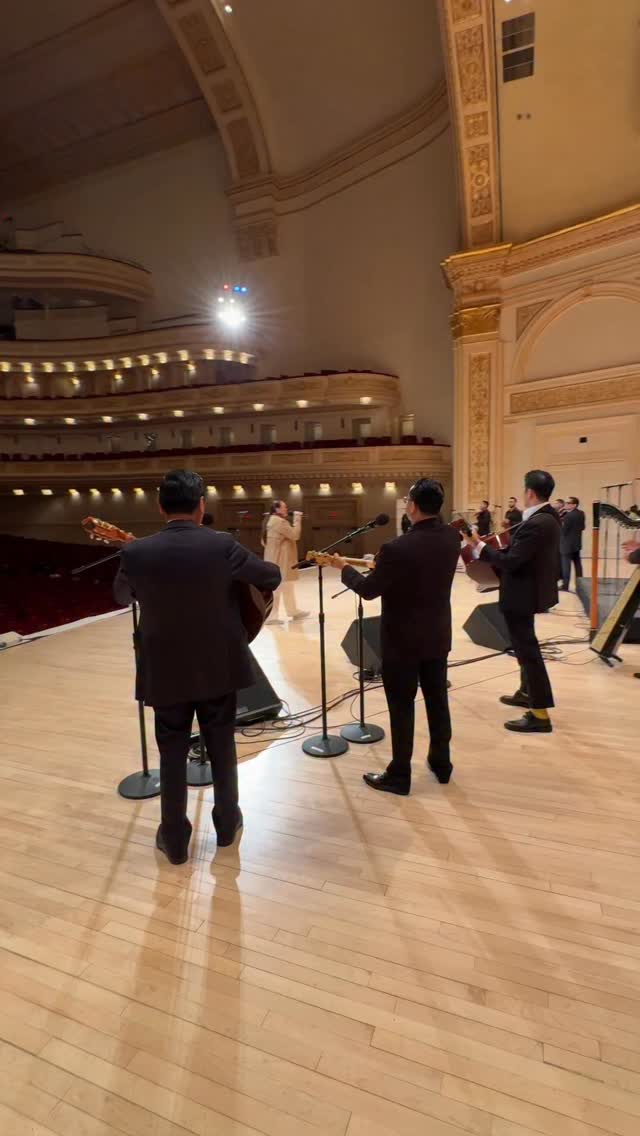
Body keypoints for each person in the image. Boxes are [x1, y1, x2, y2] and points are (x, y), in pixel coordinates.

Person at [113, 469, 281, 864]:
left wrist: (138, 564)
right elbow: (270, 575)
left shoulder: (136, 552)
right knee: (221, 744)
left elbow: (121, 596)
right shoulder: (221, 545)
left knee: (171, 750)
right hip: (217, 664)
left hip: (164, 668)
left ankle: (174, 838)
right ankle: (226, 824)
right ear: (201, 505)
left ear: (160, 507)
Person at [332, 478, 460, 794]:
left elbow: (369, 589)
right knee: (437, 700)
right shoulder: (451, 537)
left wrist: (343, 567)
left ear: (412, 506)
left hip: (402, 641)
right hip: (436, 635)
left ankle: (400, 775)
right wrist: (385, 567)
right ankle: (441, 763)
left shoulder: (396, 548)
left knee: (402, 706)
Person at [465, 469, 561, 733]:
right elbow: (523, 554)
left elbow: (511, 561)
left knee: (528, 652)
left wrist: (479, 546)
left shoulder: (537, 523)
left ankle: (540, 714)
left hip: (521, 595)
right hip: (527, 592)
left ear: (529, 492)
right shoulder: (549, 518)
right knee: (523, 647)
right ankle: (526, 692)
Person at [262, 500, 309, 624]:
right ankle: (271, 616)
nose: (287, 509)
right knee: (278, 589)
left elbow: (263, 541)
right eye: (284, 507)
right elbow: (295, 535)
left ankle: (293, 611)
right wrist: (297, 519)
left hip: (275, 559)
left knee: (287, 586)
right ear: (277, 509)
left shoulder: (269, 521)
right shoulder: (279, 522)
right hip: (280, 560)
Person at [560, 496, 586, 591]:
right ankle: (580, 585)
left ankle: (565, 586)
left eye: (568, 503)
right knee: (578, 565)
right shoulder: (581, 513)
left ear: (574, 505)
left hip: (566, 545)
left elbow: (563, 531)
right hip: (576, 544)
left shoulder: (568, 516)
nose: (566, 504)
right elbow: (583, 527)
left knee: (566, 566)